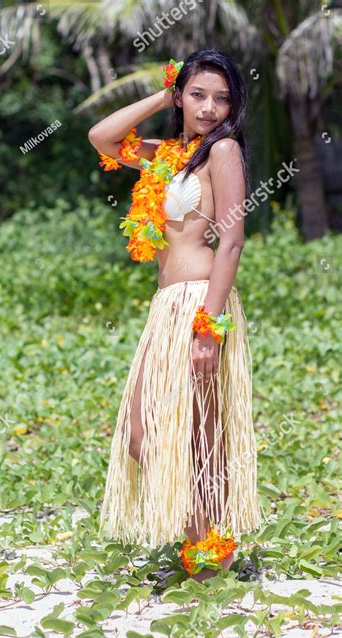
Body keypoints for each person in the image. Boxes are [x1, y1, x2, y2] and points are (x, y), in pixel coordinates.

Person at [88, 49, 262, 582]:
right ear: (180, 95)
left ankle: (210, 556)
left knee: (201, 433)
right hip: (165, 307)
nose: (210, 108)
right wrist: (162, 94)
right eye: (197, 94)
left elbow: (231, 242)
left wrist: (209, 329)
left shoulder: (223, 152)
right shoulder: (166, 155)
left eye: (221, 98)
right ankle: (210, 548)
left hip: (199, 303)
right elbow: (103, 136)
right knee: (144, 435)